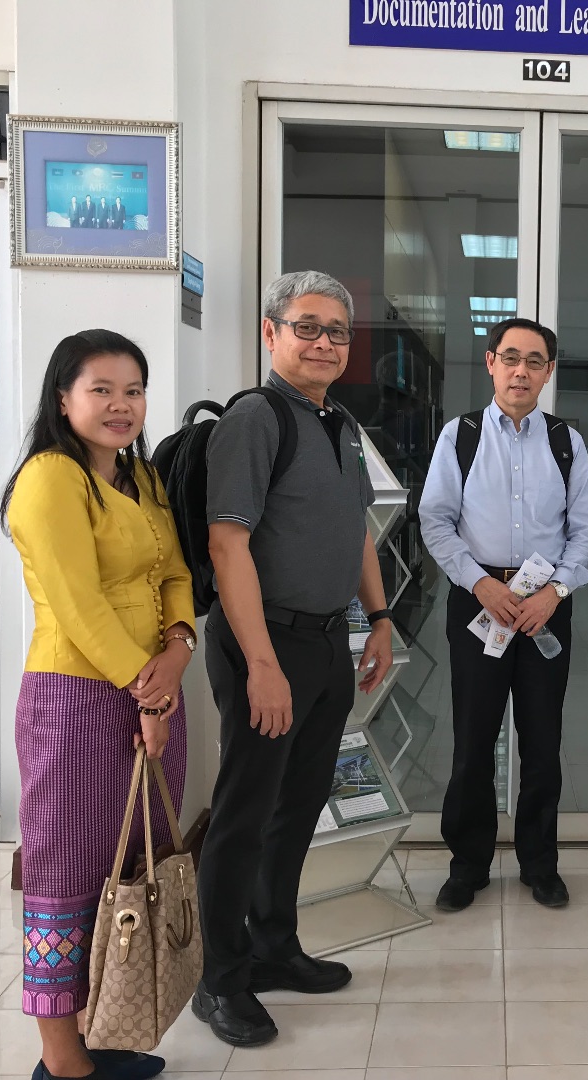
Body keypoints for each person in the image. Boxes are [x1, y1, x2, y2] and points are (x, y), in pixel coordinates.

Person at [191, 270, 393, 1048]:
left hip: (325, 642)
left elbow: (358, 529)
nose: (323, 342)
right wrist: (262, 664)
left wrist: (377, 618)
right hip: (264, 647)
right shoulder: (257, 417)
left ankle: (275, 946)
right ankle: (221, 980)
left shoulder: (338, 422)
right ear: (271, 333)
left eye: (337, 331)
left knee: (299, 806)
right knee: (243, 818)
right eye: (306, 326)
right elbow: (226, 542)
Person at [2, 329, 196, 1080]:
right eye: (102, 390)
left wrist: (178, 648)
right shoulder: (52, 478)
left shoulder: (141, 480)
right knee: (66, 875)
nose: (122, 406)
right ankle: (63, 1062)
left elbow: (176, 572)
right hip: (75, 700)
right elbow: (76, 606)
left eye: (134, 391)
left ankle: (106, 1030)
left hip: (154, 695)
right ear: (63, 398)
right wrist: (148, 686)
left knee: (133, 870)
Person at [419, 317, 588, 912]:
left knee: (543, 743)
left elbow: (585, 532)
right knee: (473, 739)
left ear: (548, 372)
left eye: (535, 361)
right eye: (511, 358)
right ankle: (467, 864)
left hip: (546, 608)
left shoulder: (565, 441)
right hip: (480, 604)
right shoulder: (461, 435)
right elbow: (435, 521)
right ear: (491, 362)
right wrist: (479, 584)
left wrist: (556, 593)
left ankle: (539, 864)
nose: (522, 370)